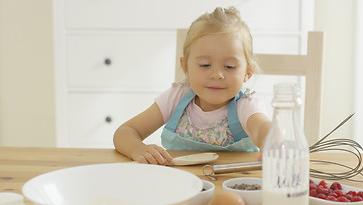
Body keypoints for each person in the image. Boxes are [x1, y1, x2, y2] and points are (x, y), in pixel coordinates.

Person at [113, 7, 271, 165]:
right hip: (181, 184)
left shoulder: (245, 105)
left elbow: (262, 127)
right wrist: (138, 149)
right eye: (205, 65)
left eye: (229, 66)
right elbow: (125, 132)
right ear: (186, 67)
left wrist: (270, 139)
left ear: (248, 72)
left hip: (231, 184)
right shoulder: (176, 98)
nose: (217, 74)